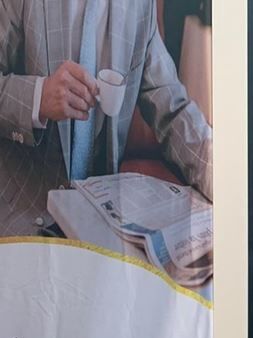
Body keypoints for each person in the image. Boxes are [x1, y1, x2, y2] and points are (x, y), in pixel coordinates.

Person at [0, 0, 212, 237]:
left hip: (100, 222)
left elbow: (174, 109)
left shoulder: (140, 6)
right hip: (19, 211)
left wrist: (222, 174)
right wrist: (38, 98)